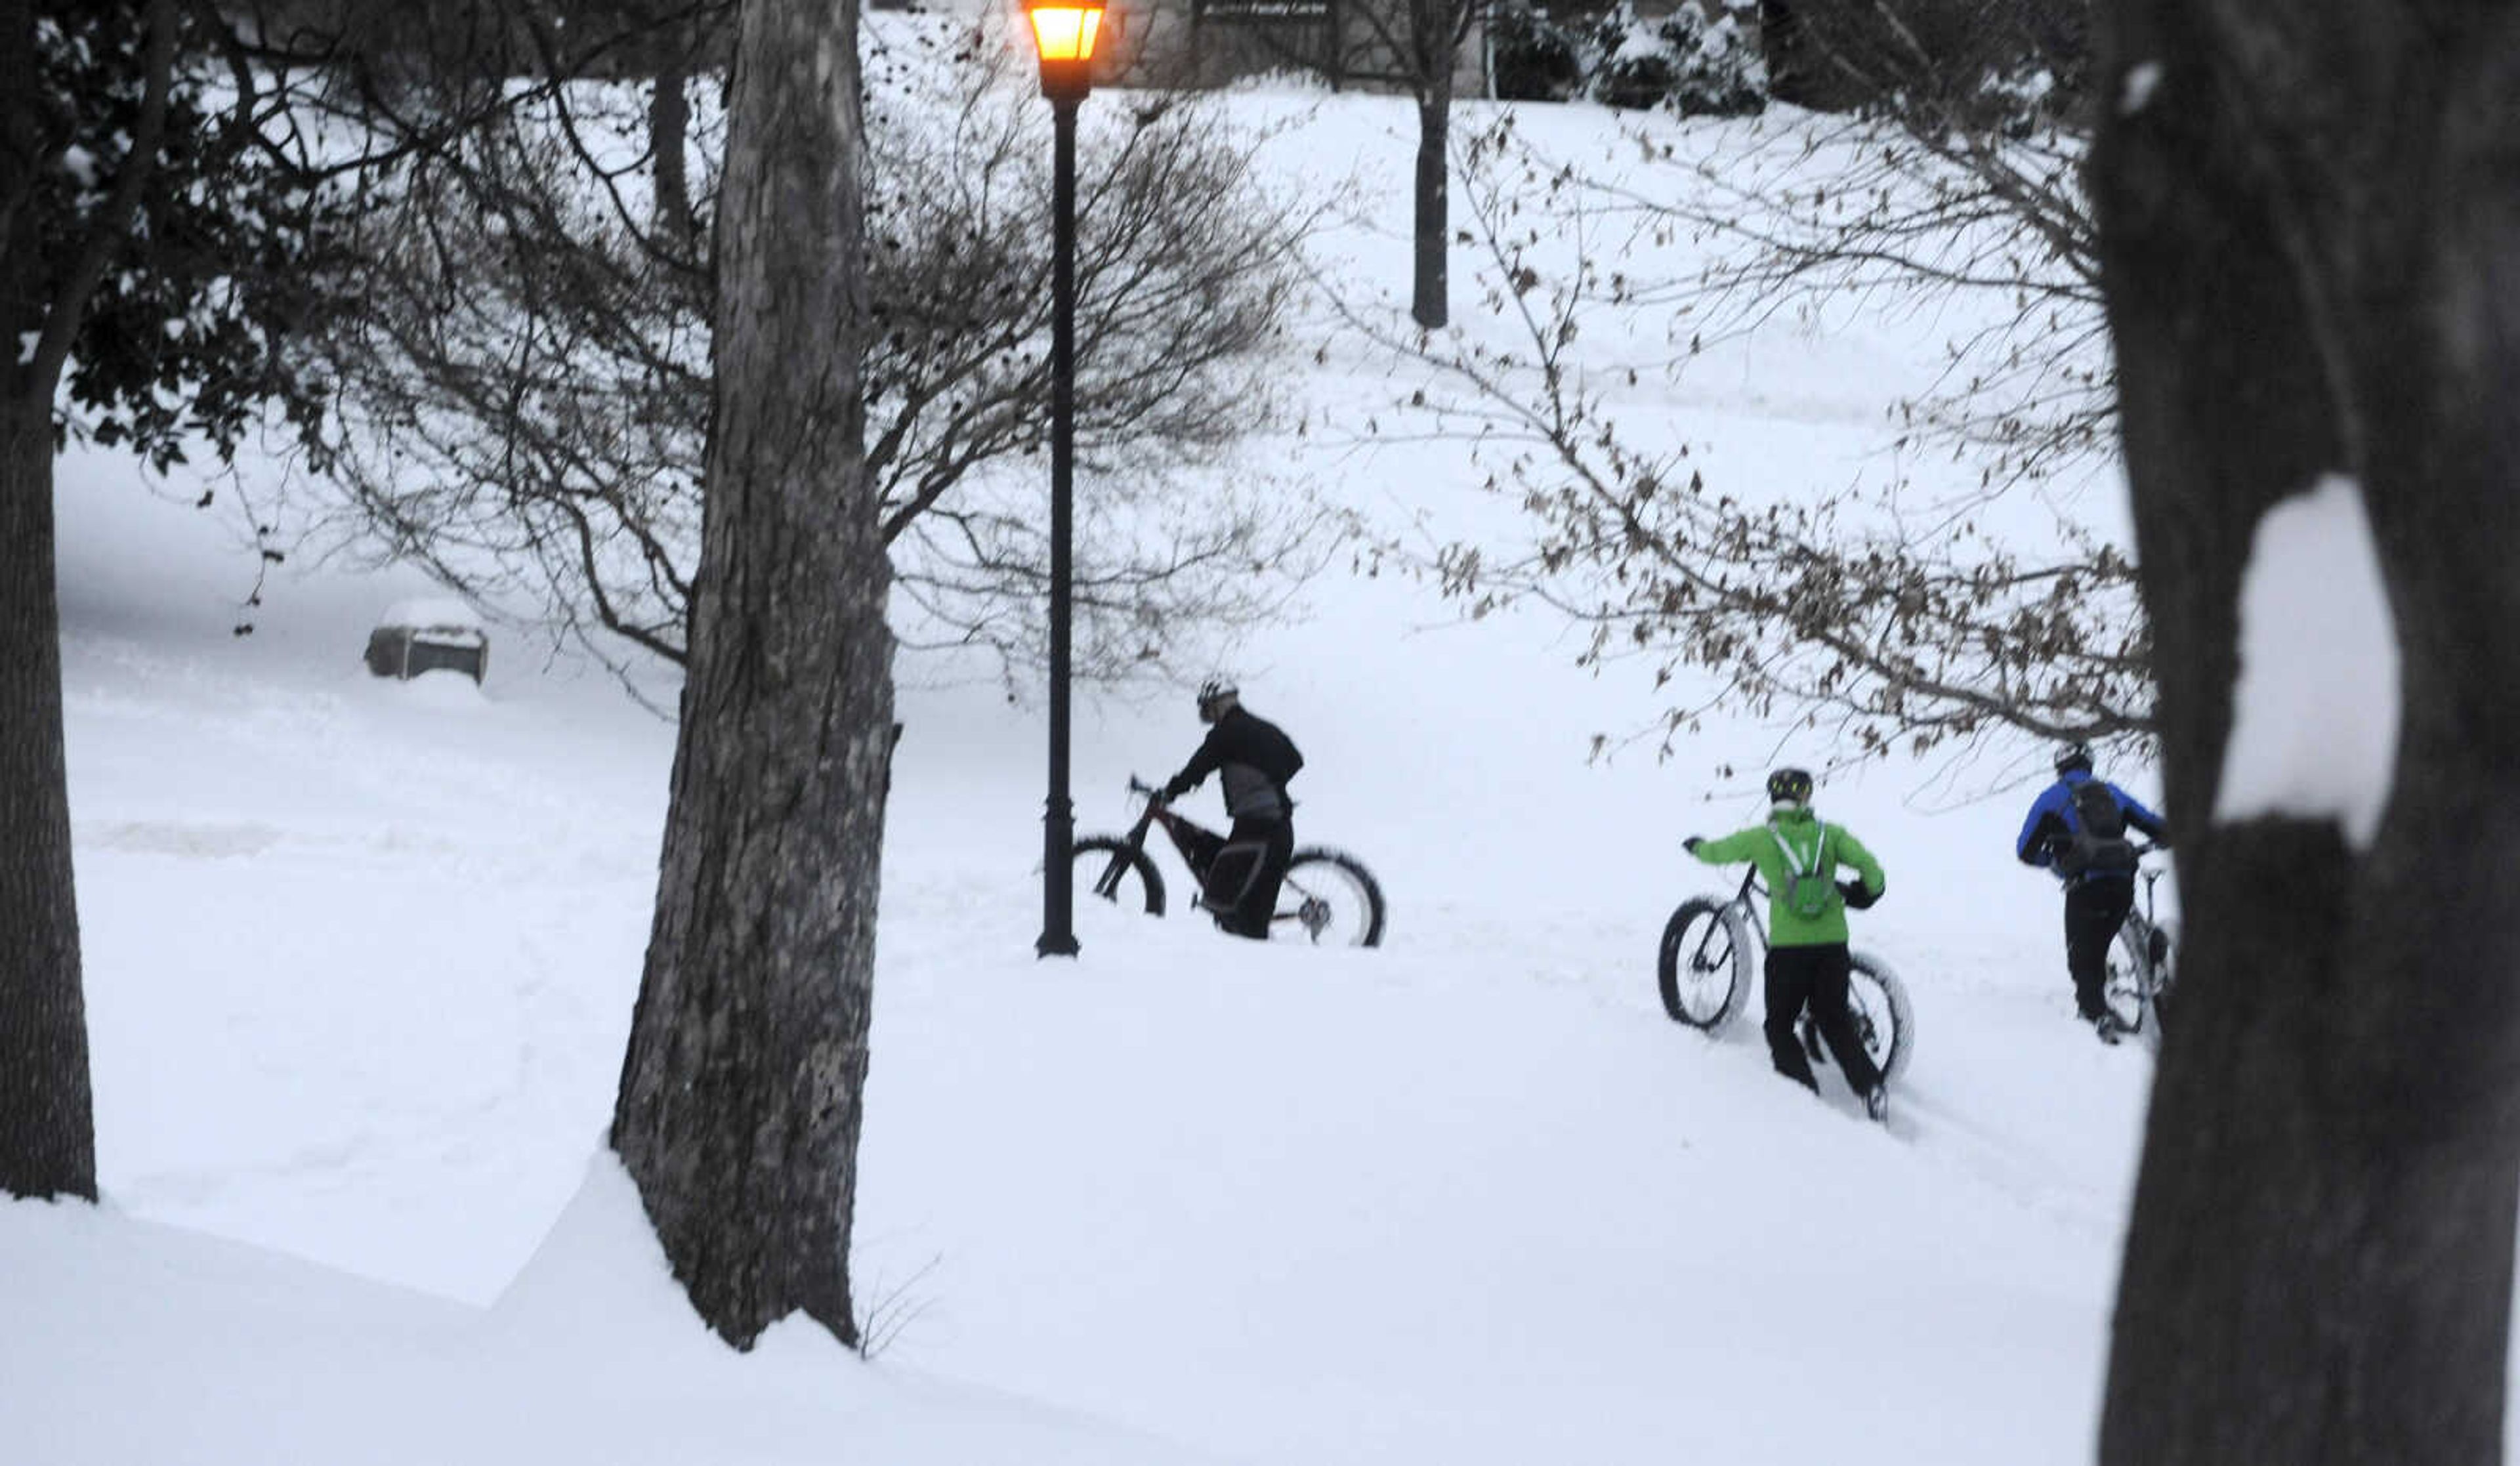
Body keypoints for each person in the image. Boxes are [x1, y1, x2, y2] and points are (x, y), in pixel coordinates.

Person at [1685, 767, 1891, 1122]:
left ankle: (1803, 1096)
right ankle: (1871, 1087)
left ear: (1773, 798)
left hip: (1789, 950)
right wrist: (1866, 892)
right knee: (1835, 1020)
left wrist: (1698, 847)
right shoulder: (1830, 835)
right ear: (1806, 797)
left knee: (1779, 1025)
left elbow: (1719, 852)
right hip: (1832, 944)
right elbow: (1872, 869)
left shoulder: (1762, 838)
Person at [2015, 742, 2170, 1041]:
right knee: (2108, 932)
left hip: (2085, 888)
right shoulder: (2112, 792)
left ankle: (2096, 1019)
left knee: (2084, 959)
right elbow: (2152, 824)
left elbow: (2026, 851)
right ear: (2089, 765)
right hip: (2123, 882)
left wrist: (2056, 862)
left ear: (2060, 768)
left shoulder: (2052, 799)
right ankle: (2158, 967)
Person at [1161, 677, 1304, 940]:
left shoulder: (1226, 734)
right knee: (1239, 902)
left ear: (1216, 705)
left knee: (1229, 902)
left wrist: (1170, 792)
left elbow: (1197, 770)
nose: (1206, 714)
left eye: (1206, 708)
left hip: (1260, 826)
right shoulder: (1265, 728)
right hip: (1275, 824)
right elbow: (1296, 760)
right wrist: (1269, 780)